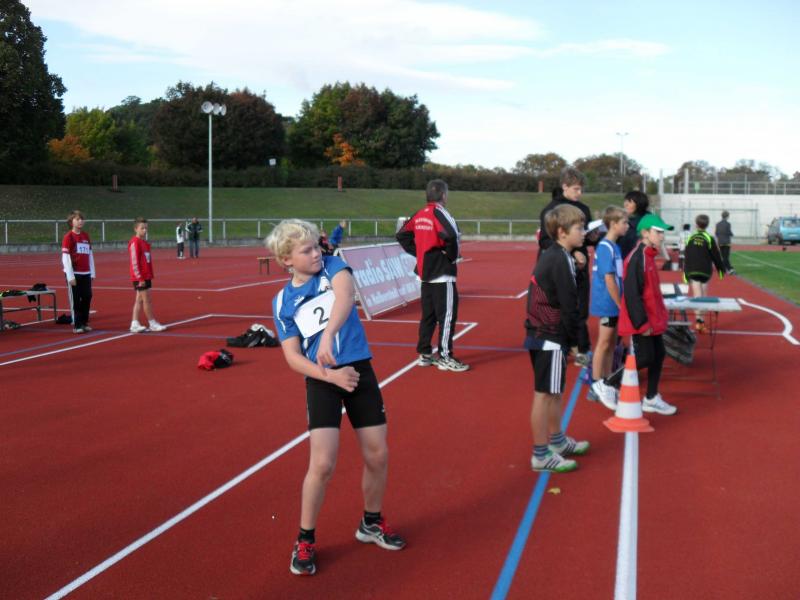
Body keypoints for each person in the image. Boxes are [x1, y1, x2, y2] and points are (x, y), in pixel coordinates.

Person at [268, 219, 405, 576]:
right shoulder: (282, 302)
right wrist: (330, 375)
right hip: (323, 380)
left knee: (377, 454)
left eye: (317, 246)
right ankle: (305, 539)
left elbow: (344, 298)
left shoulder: (333, 267)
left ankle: (371, 522)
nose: (316, 253)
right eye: (307, 250)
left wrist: (329, 335)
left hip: (358, 370)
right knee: (323, 464)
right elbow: (292, 356)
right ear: (286, 260)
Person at [525, 204, 591, 473]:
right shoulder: (560, 260)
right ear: (562, 232)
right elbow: (569, 305)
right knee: (544, 394)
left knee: (553, 392)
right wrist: (577, 344)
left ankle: (557, 441)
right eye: (579, 228)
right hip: (549, 335)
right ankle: (541, 455)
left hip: (546, 334)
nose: (584, 232)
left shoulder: (559, 255)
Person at [605, 213, 677, 416]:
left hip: (652, 318)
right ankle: (607, 383)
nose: (662, 236)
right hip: (643, 320)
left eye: (663, 232)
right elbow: (632, 294)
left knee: (659, 354)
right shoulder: (638, 257)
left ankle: (651, 397)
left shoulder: (648, 255)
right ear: (645, 233)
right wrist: (642, 323)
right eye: (658, 232)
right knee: (645, 357)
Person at [396, 179, 469, 372]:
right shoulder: (441, 213)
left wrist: (420, 253)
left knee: (428, 315)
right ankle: (445, 356)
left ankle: (425, 353)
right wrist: (450, 257)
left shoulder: (420, 214)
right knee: (447, 316)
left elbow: (401, 234)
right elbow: (452, 236)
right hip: (442, 273)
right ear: (444, 195)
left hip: (425, 272)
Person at [537, 167, 594, 367]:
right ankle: (565, 348)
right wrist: (571, 252)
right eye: (576, 189)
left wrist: (595, 237)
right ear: (565, 186)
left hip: (580, 268)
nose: (580, 193)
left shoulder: (584, 209)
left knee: (580, 310)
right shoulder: (551, 210)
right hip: (560, 268)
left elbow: (586, 237)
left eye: (581, 189)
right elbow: (545, 241)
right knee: (561, 310)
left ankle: (580, 349)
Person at [588, 206, 629, 410]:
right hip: (608, 304)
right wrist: (621, 305)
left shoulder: (614, 247)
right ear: (613, 224)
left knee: (612, 345)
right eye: (624, 222)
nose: (627, 226)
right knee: (604, 344)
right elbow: (609, 280)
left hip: (613, 303)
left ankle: (607, 381)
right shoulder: (605, 247)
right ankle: (597, 384)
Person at [684, 214, 726, 333]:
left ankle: (699, 321)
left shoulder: (691, 237)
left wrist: (686, 273)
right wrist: (721, 270)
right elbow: (716, 256)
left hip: (693, 269)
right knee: (703, 297)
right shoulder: (709, 238)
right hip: (705, 271)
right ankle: (701, 322)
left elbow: (687, 255)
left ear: (696, 224)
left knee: (697, 296)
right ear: (707, 225)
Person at [128, 218, 167, 333]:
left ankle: (134, 323)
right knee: (147, 300)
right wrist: (140, 278)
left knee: (139, 300)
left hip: (146, 276)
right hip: (140, 277)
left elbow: (146, 261)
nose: (145, 230)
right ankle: (152, 323)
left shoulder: (144, 243)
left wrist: (149, 275)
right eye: (142, 228)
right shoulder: (135, 242)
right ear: (136, 229)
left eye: (146, 228)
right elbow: (134, 262)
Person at [61, 210, 95, 334]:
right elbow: (65, 258)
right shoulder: (68, 237)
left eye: (81, 219)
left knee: (87, 296)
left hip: (86, 273)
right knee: (75, 299)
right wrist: (70, 276)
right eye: (77, 219)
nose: (80, 221)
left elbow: (90, 255)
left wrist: (92, 272)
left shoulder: (86, 236)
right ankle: (77, 325)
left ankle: (84, 322)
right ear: (71, 222)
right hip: (74, 274)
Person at [617, 190, 651, 260]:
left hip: (634, 260)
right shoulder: (627, 220)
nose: (625, 204)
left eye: (629, 202)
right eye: (625, 201)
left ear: (639, 203)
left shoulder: (645, 222)